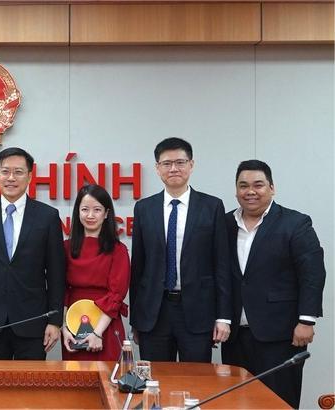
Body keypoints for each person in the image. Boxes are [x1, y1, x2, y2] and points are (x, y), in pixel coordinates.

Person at [221, 160, 325, 408]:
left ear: (272, 188)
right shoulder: (224, 224)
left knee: (278, 402)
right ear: (236, 191)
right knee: (235, 402)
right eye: (243, 185)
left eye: (258, 185)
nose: (250, 191)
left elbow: (312, 273)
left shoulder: (295, 223)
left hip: (280, 335)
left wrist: (306, 321)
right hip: (236, 336)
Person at [130, 137, 231, 363]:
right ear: (157, 169)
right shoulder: (144, 208)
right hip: (155, 313)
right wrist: (136, 319)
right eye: (166, 163)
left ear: (191, 165)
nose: (173, 168)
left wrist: (223, 316)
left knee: (196, 383)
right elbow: (138, 267)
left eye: (180, 162)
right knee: (154, 381)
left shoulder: (212, 206)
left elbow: (222, 264)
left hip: (197, 311)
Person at [0, 147, 65, 360]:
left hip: (33, 321)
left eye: (18, 172)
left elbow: (56, 274)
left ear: (29, 176)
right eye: (5, 171)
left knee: (30, 388)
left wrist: (55, 321)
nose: (11, 178)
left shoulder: (47, 216)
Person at [61, 185, 130, 361]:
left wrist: (97, 333)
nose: (90, 215)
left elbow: (116, 294)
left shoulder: (118, 250)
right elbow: (62, 291)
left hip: (105, 325)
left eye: (97, 210)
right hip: (73, 324)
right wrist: (65, 327)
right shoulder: (65, 248)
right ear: (77, 212)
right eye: (85, 209)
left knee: (109, 382)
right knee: (74, 382)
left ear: (106, 213)